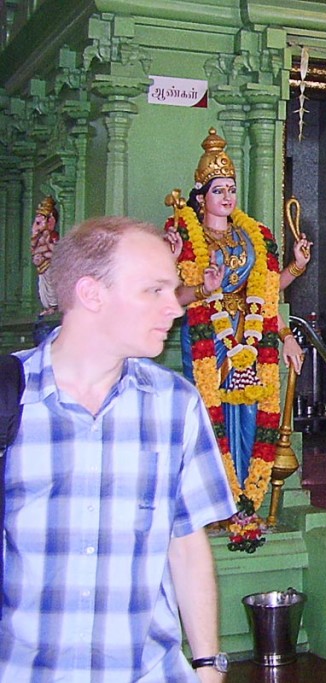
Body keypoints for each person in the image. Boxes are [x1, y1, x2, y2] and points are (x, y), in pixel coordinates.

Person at [1, 217, 237, 680]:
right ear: (92, 294)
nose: (174, 308)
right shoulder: (10, 398)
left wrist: (208, 667)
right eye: (154, 291)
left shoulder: (175, 406)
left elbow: (186, 546)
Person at [166, 128, 311, 536]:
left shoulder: (254, 236)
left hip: (250, 339)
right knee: (211, 420)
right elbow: (172, 297)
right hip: (208, 339)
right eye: (219, 190)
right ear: (202, 196)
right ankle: (215, 503)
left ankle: (246, 500)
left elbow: (265, 293)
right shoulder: (185, 238)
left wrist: (296, 269)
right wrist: (204, 288)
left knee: (249, 417)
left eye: (231, 189)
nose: (227, 197)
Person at [30, 195, 59, 316]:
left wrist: (47, 249)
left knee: (51, 285)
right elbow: (33, 249)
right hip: (42, 265)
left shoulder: (53, 236)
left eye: (39, 222)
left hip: (49, 264)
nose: (37, 225)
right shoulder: (39, 236)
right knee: (42, 286)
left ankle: (52, 306)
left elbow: (56, 250)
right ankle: (46, 306)